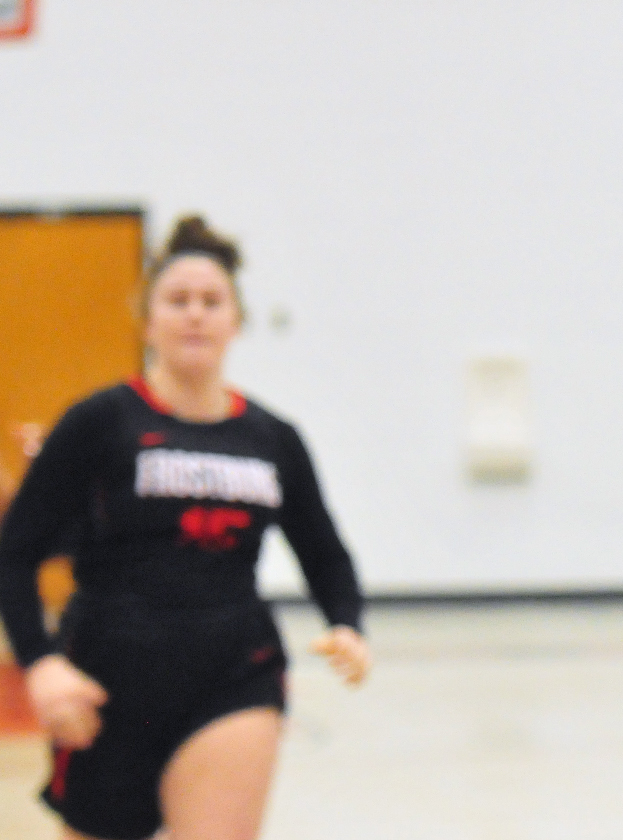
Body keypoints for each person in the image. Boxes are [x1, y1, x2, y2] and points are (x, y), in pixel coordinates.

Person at [0, 216, 370, 840]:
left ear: (236, 321)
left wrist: (345, 623)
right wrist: (39, 663)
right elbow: (16, 550)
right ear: (147, 322)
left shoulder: (272, 438)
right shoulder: (101, 421)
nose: (195, 314)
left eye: (211, 302)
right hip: (106, 683)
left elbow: (323, 550)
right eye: (177, 301)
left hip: (233, 670)